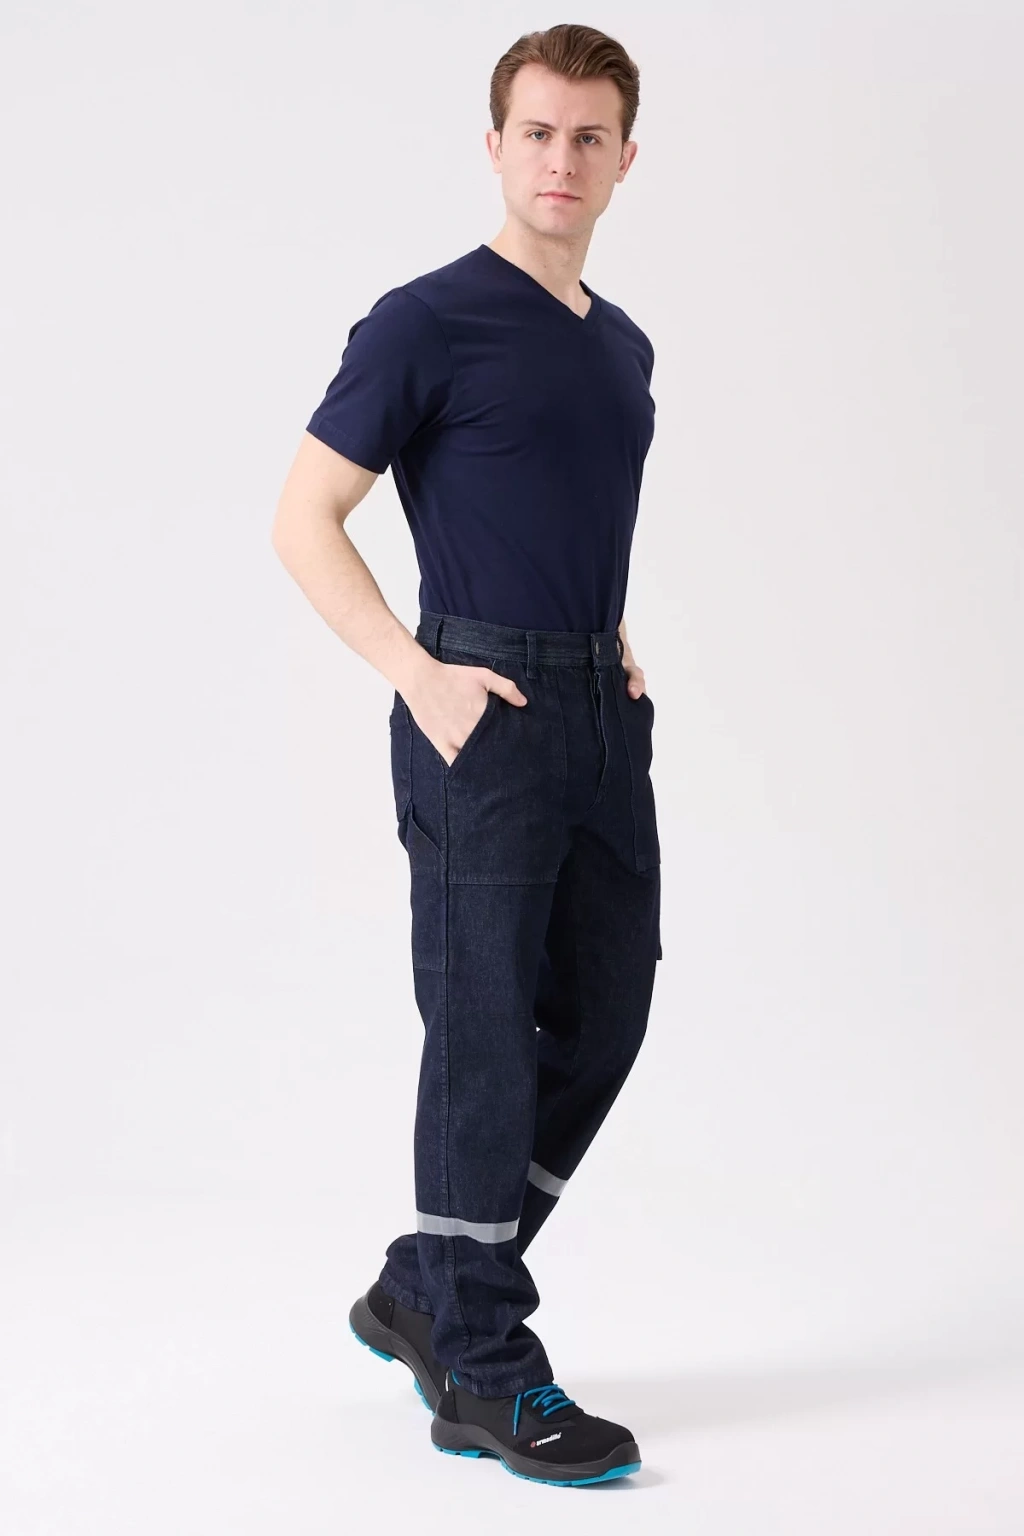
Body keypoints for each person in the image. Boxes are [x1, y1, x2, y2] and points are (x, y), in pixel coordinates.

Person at [272, 23, 660, 1488]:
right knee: (485, 1030)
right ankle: (484, 1369)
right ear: (496, 146)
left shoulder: (622, 347)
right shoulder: (425, 320)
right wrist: (416, 672)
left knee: (605, 1015)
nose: (563, 159)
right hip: (478, 716)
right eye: (538, 132)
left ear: (625, 159)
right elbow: (304, 516)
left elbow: (557, 507)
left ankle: (427, 1284)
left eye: (589, 137)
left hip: (599, 713)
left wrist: (608, 642)